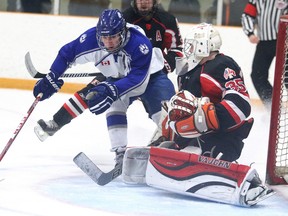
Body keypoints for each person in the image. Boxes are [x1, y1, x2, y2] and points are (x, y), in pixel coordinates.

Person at [126, 22, 273, 206]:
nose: (188, 49)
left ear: (203, 45)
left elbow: (241, 106)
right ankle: (170, 150)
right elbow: (184, 110)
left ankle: (248, 183)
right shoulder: (189, 72)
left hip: (224, 136)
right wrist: (169, 130)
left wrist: (205, 117)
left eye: (192, 44)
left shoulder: (221, 65)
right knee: (173, 126)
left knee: (200, 150)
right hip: (197, 136)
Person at [32, 9, 175, 165]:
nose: (108, 42)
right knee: (113, 106)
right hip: (116, 78)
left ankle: (175, 147)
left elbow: (138, 79)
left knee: (169, 116)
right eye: (104, 37)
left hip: (151, 77)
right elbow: (67, 53)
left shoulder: (139, 43)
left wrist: (111, 89)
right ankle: (120, 154)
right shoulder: (91, 39)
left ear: (123, 32)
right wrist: (52, 76)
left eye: (113, 37)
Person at [241, 0, 288, 110]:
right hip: (265, 41)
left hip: (285, 41)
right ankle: (273, 107)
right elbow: (247, 15)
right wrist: (250, 33)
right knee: (257, 76)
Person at [122, 0, 183, 74]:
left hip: (157, 74)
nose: (143, 2)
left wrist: (163, 66)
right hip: (131, 71)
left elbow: (176, 48)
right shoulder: (124, 20)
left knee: (166, 86)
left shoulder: (168, 20)